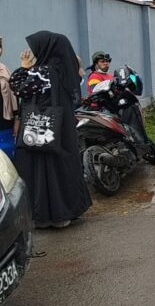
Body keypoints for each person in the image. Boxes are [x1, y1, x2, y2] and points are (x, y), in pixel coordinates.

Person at [9, 31, 92, 228]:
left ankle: (49, 216)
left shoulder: (43, 72)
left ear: (46, 49)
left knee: (42, 168)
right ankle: (66, 211)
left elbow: (18, 87)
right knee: (62, 168)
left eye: (36, 48)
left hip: (42, 128)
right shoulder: (64, 69)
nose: (33, 52)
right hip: (62, 129)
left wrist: (23, 68)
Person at [0, 36, 19, 158]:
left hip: (5, 125)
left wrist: (17, 120)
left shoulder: (5, 71)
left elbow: (15, 97)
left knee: (7, 165)